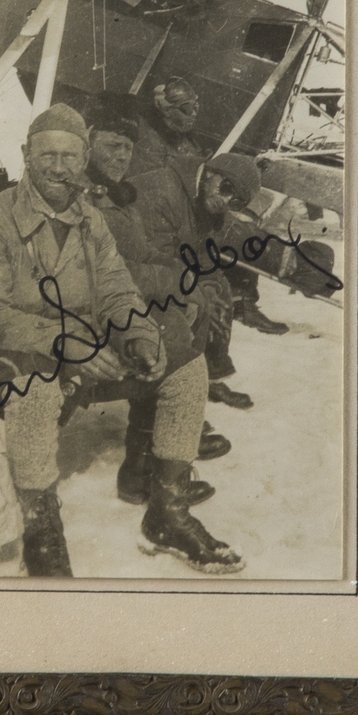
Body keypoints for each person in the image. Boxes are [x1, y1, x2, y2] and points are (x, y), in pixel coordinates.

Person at [0, 104, 243, 578]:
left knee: (185, 365)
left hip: (79, 346)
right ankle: (43, 537)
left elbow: (117, 289)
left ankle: (167, 513)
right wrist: (65, 344)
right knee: (35, 389)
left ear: (84, 159)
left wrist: (139, 333)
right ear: (26, 154)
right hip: (2, 353)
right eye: (48, 155)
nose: (60, 168)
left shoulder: (91, 220)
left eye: (70, 156)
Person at [82, 93, 232, 466]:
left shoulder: (115, 198)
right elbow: (101, 271)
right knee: (170, 333)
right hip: (83, 313)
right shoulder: (82, 199)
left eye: (128, 148)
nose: (122, 157)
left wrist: (184, 279)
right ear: (87, 139)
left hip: (115, 302)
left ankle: (154, 444)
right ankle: (148, 456)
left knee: (191, 303)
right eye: (113, 145)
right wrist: (171, 284)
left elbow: (142, 253)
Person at [133, 151, 265, 411]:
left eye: (236, 201)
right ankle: (171, 406)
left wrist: (210, 285)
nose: (225, 201)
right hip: (132, 273)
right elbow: (157, 259)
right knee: (185, 308)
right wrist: (198, 289)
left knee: (219, 292)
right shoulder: (163, 191)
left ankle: (207, 375)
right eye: (226, 188)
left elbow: (203, 251)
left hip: (168, 271)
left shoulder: (201, 196)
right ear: (210, 173)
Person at [128, 77, 203, 177]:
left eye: (195, 107)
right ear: (166, 110)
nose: (193, 114)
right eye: (187, 108)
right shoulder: (147, 140)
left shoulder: (188, 141)